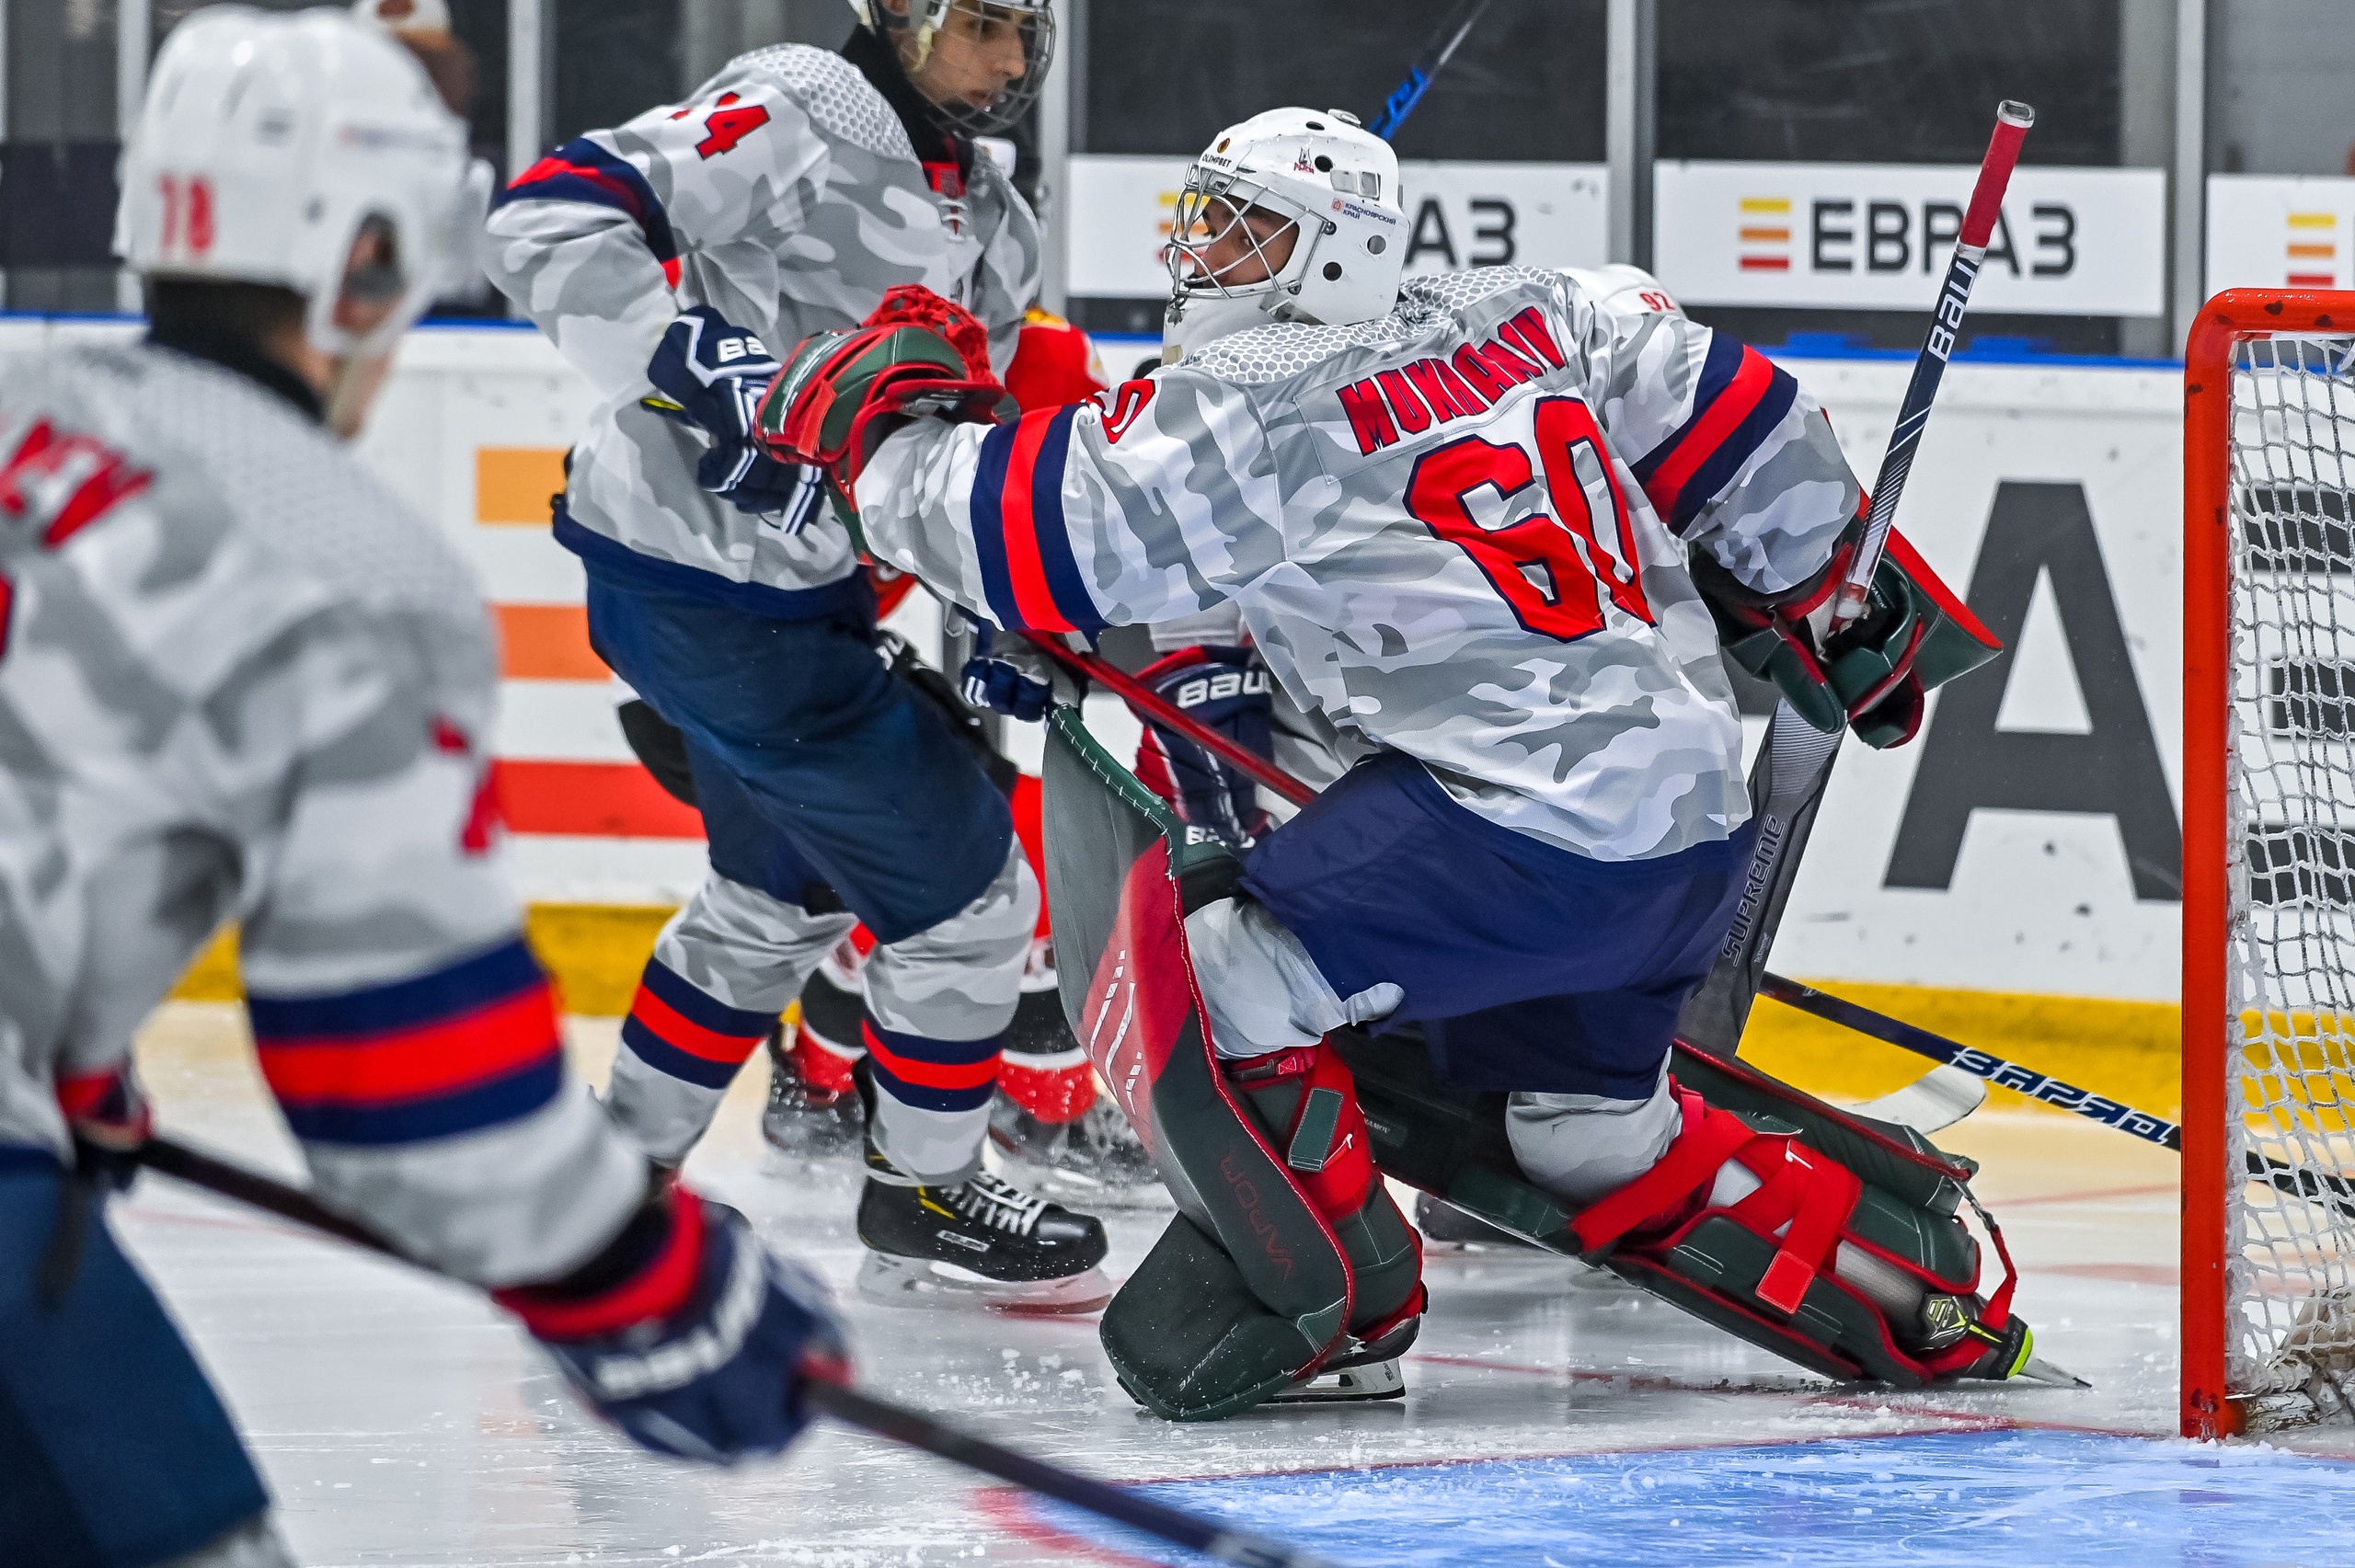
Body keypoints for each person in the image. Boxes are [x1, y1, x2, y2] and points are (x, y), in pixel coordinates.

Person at [754, 106, 2020, 1416]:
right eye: (1206, 218)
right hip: (1690, 824)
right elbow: (1741, 411)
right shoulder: (1539, 312)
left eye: (1248, 231)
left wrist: (883, 439)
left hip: (1517, 835)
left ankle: (1340, 1304)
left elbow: (1028, 531)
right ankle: (1903, 1285)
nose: (1207, 257)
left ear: (1337, 253)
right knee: (1585, 1133)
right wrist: (1824, 586)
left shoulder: (1261, 398)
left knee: (1201, 974)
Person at [0, 13, 847, 1568]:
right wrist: (644, 1285)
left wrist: (51, 1053)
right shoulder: (329, 565)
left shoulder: (27, 424)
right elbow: (401, 1087)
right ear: (371, 256)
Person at [482, 0, 1111, 1312]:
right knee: (976, 891)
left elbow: (932, 451)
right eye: (983, 27)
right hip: (704, 588)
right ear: (905, 13)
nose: (1010, 65)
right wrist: (693, 361)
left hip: (790, 599)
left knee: (776, 899)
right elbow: (547, 214)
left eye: (1025, 34)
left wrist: (999, 597)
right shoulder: (799, 105)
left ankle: (620, 1168)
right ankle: (925, 1185)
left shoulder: (994, 212)